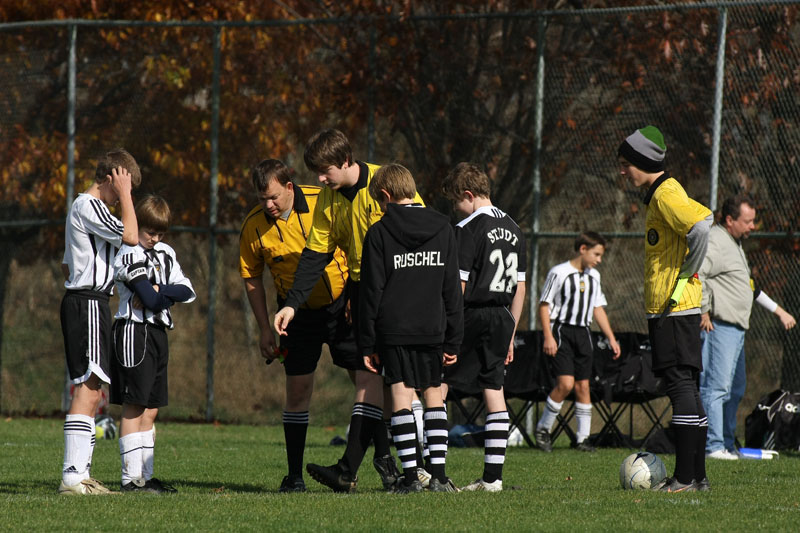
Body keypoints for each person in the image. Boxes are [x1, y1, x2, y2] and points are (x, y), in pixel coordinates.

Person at [274, 129, 421, 493]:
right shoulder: (329, 197)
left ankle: (419, 468)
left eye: (325, 171)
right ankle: (375, 467)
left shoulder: (386, 183)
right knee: (370, 375)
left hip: (398, 289)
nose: (320, 180)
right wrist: (292, 303)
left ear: (346, 161)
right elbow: (316, 254)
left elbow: (423, 231)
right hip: (362, 291)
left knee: (402, 383)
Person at [239, 158, 355, 492]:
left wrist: (355, 300)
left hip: (341, 306)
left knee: (366, 381)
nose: (268, 205)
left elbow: (354, 247)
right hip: (295, 316)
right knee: (298, 390)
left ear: (290, 187)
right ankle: (295, 476)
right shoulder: (254, 225)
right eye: (262, 199)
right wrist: (264, 328)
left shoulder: (323, 202)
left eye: (274, 197)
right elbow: (251, 277)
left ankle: (387, 465)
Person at [618, 126, 713, 493]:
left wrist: (685, 276)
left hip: (674, 309)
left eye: (627, 164)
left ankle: (685, 478)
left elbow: (702, 227)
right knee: (687, 386)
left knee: (679, 386)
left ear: (643, 162)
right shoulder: (662, 193)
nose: (623, 172)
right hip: (677, 309)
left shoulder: (665, 195)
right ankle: (697, 477)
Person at [359, 164, 463, 493]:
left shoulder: (378, 233)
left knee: (401, 395)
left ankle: (409, 477)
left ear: (386, 196)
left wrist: (366, 344)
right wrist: (454, 339)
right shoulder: (444, 227)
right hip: (433, 326)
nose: (379, 207)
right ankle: (440, 476)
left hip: (395, 329)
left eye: (379, 201)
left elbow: (370, 292)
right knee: (434, 395)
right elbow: (451, 289)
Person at [440, 162, 527, 493]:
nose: (454, 210)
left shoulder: (468, 227)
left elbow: (459, 284)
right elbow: (521, 287)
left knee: (439, 382)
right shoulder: (516, 228)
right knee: (494, 391)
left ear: (468, 195)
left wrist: (449, 327)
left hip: (471, 313)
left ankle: (430, 469)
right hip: (502, 316)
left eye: (455, 202)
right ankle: (493, 478)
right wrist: (511, 332)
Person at [59, 149, 141, 495]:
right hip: (88, 301)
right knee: (90, 386)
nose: (124, 195)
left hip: (93, 302)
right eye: (122, 186)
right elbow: (132, 236)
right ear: (109, 178)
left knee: (94, 388)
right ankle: (73, 477)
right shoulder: (87, 205)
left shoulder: (91, 211)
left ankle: (80, 475)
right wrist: (125, 197)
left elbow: (69, 262)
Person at [698, 194, 797, 460]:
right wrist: (704, 311)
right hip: (718, 326)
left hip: (737, 329)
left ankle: (727, 444)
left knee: (736, 388)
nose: (753, 226)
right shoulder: (716, 241)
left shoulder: (735, 243)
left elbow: (749, 288)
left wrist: (778, 311)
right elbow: (698, 274)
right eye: (748, 221)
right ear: (730, 220)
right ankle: (713, 445)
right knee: (716, 387)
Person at [110, 195, 196, 493]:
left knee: (152, 409)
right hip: (134, 331)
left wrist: (159, 288)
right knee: (135, 404)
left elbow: (187, 290)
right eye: (150, 232)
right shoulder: (128, 252)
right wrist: (160, 294)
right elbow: (148, 300)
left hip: (159, 333)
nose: (154, 239)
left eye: (160, 233)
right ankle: (130, 479)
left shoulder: (165, 252)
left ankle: (146, 477)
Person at [534, 232, 621, 453]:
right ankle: (543, 429)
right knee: (565, 385)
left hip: (584, 334)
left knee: (583, 386)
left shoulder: (595, 276)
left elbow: (597, 307)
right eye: (596, 254)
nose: (599, 260)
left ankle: (583, 439)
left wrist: (611, 338)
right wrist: (548, 336)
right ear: (583, 249)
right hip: (563, 331)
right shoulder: (559, 272)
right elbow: (544, 305)